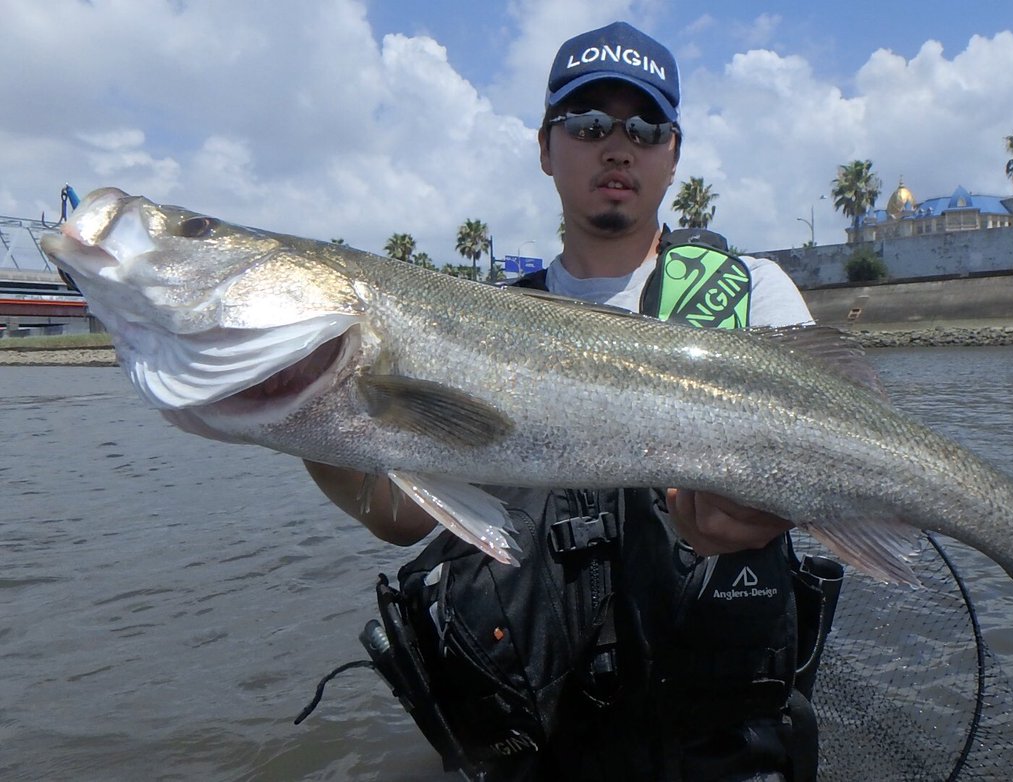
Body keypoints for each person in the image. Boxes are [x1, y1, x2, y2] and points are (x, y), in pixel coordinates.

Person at [304, 21, 837, 782]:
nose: (617, 146)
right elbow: (399, 515)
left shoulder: (754, 294)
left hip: (720, 747)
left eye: (645, 126)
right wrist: (307, 407)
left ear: (673, 153)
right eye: (587, 124)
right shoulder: (473, 325)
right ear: (547, 148)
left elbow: (829, 469)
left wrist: (774, 506)